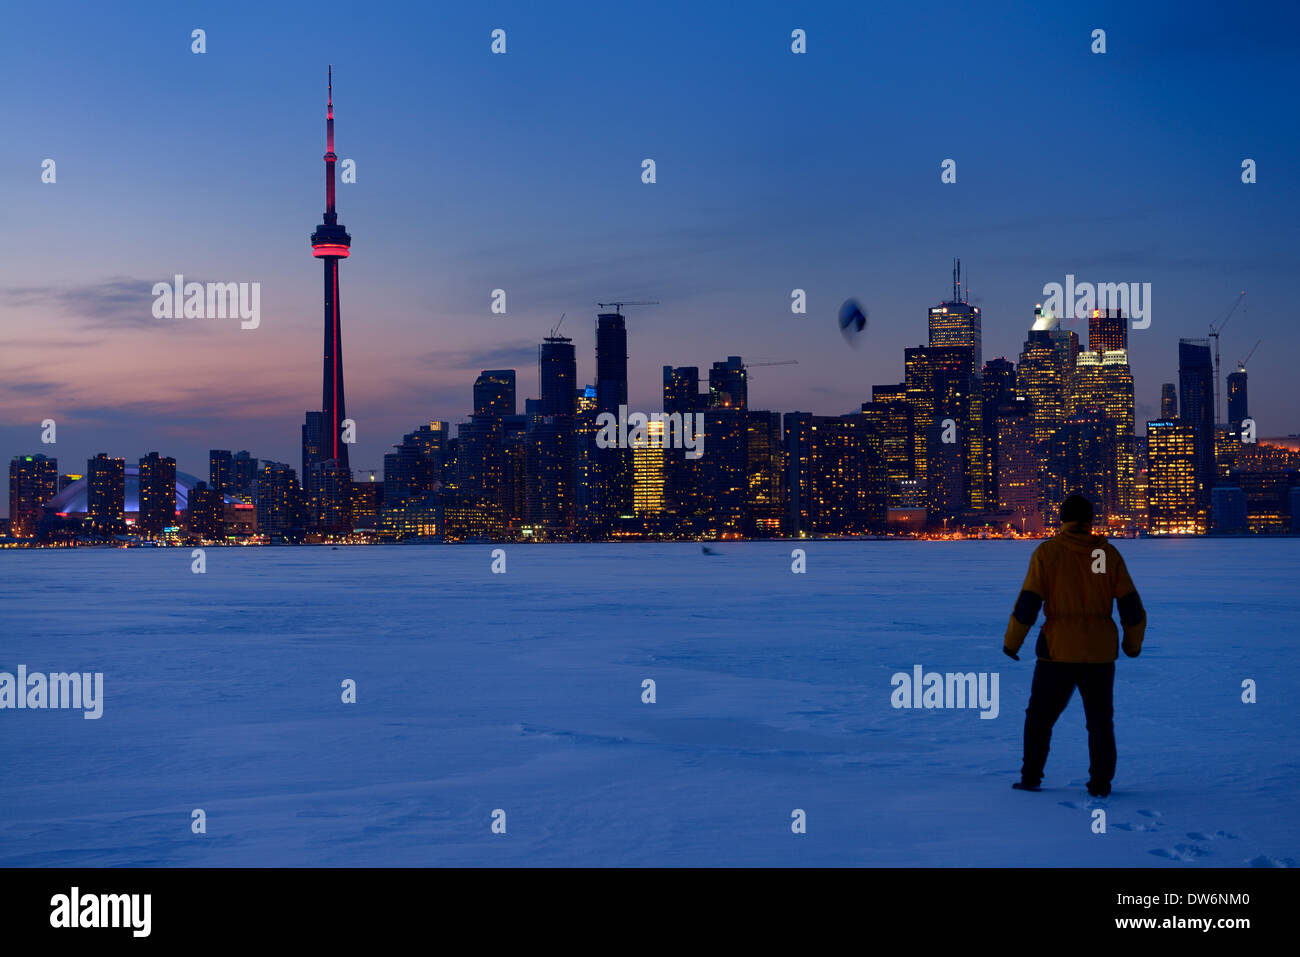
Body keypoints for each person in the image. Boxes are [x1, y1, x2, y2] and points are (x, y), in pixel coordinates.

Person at [1002, 494, 1146, 797]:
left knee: (1040, 718)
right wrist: (1132, 645)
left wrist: (1012, 642)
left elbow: (1028, 603)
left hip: (1057, 652)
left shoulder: (1048, 553)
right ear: (1090, 520)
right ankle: (1101, 784)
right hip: (1100, 653)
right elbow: (1131, 607)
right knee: (1100, 722)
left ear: (1062, 519)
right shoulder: (1106, 556)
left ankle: (1031, 778)